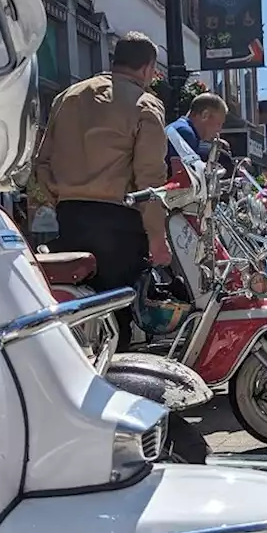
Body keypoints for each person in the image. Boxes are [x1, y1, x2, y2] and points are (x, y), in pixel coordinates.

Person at [33, 31, 171, 350]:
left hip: (70, 217)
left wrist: (60, 198)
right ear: (148, 68)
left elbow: (41, 162)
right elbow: (149, 179)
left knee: (76, 312)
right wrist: (157, 238)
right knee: (115, 313)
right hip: (118, 223)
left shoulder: (67, 97)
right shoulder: (145, 104)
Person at [166, 92, 228, 162]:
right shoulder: (184, 133)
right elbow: (183, 171)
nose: (219, 130)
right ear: (205, 115)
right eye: (218, 123)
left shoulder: (180, 127)